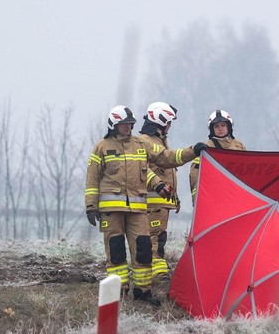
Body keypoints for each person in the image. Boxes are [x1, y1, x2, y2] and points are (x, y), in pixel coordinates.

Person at [85, 106, 199, 306]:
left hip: (137, 210)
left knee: (144, 250)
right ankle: (117, 292)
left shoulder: (141, 144)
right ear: (114, 125)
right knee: (116, 252)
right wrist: (91, 206)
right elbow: (92, 179)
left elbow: (165, 158)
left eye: (130, 124)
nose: (128, 127)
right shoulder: (102, 147)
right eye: (124, 124)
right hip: (112, 213)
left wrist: (193, 151)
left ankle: (142, 293)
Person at [136, 102, 205, 285]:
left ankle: (156, 274)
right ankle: (159, 277)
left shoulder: (157, 142)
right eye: (168, 123)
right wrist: (192, 151)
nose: (170, 127)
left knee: (159, 238)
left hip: (161, 203)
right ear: (160, 122)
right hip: (153, 202)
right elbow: (159, 163)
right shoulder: (145, 142)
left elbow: (168, 160)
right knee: (155, 240)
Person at [189, 109, 246, 204]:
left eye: (223, 125)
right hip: (215, 195)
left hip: (236, 193)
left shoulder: (239, 146)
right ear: (212, 129)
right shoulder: (205, 148)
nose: (220, 129)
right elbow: (195, 174)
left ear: (229, 127)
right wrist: (197, 199)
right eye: (216, 126)